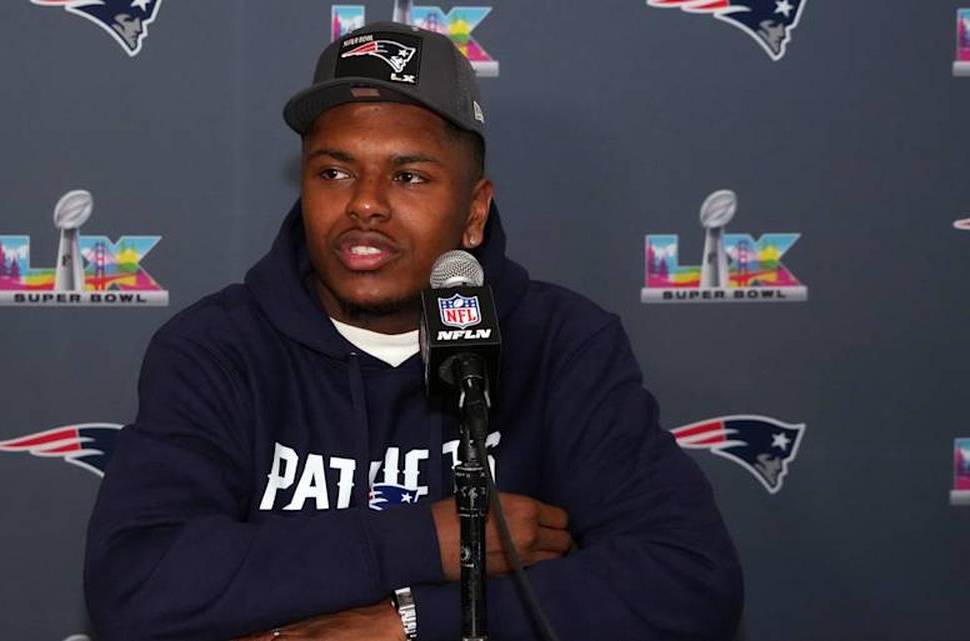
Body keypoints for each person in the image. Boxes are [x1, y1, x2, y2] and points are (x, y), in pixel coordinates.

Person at [84, 22, 743, 641]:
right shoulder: (217, 348)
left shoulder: (559, 343)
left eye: (409, 176)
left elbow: (688, 579)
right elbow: (136, 582)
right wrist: (428, 539)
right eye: (334, 171)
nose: (364, 202)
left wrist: (408, 623)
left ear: (474, 212)